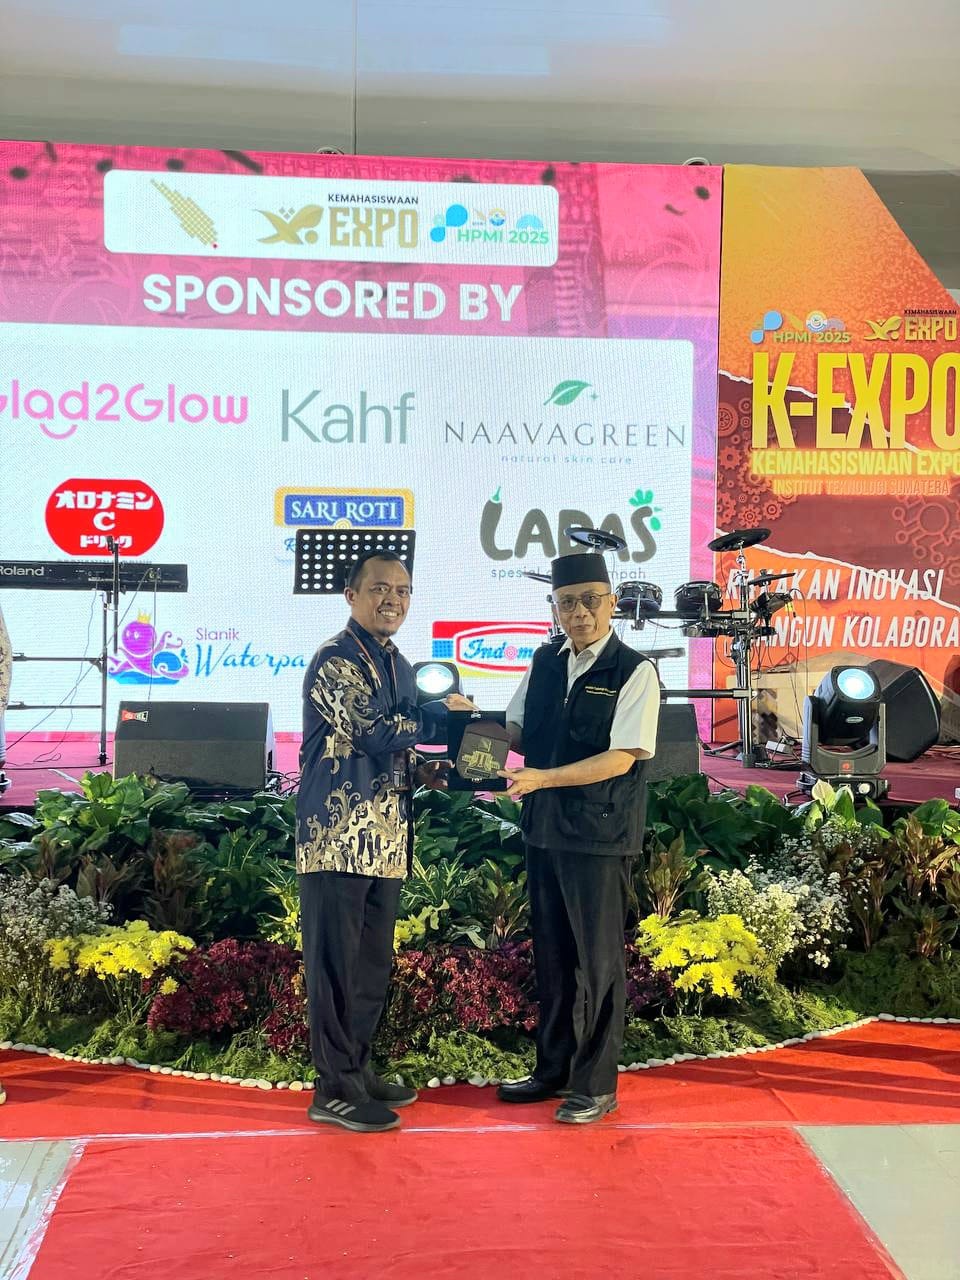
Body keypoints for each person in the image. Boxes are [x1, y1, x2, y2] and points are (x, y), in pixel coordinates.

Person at [296, 549, 472, 1133]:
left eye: (402, 590)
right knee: (335, 968)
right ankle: (333, 1090)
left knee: (370, 967)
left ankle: (358, 1070)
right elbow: (371, 731)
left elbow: (391, 749)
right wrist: (443, 717)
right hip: (336, 837)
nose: (392, 599)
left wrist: (424, 770)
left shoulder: (398, 663)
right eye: (379, 588)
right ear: (351, 595)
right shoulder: (335, 658)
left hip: (387, 839)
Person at [496, 551, 660, 1124]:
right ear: (555, 608)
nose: (580, 612)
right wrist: (471, 724)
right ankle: (553, 1070)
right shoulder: (545, 661)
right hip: (544, 829)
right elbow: (516, 730)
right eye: (567, 602)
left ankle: (596, 1085)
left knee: (598, 963)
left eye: (591, 600)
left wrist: (542, 778)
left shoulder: (634, 671)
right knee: (552, 956)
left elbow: (621, 757)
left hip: (599, 834)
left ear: (612, 603)